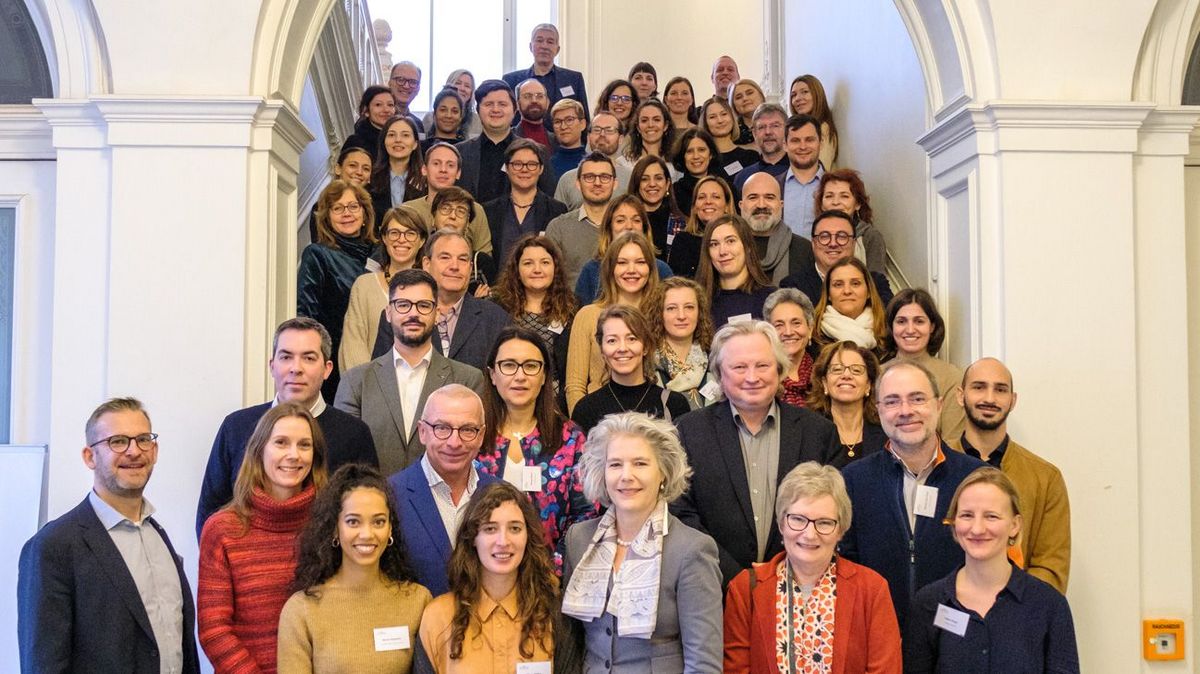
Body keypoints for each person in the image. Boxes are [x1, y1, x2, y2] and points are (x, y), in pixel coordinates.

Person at [18, 397, 200, 673]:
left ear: (155, 450)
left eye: (143, 440)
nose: (133, 451)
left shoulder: (160, 538)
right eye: (117, 441)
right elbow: (44, 664)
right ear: (90, 456)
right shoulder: (53, 546)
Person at [672, 321, 839, 585]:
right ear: (719, 374)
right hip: (715, 588)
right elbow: (681, 513)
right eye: (739, 367)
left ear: (780, 369)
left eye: (762, 365)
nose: (752, 377)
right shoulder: (688, 432)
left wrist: (782, 572)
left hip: (799, 587)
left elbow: (831, 514)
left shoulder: (819, 432)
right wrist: (735, 577)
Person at [563, 412, 724, 673]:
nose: (626, 475)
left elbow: (704, 663)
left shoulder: (692, 549)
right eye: (615, 464)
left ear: (663, 472)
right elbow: (572, 641)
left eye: (640, 463)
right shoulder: (580, 539)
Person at [197, 317, 377, 538]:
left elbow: (369, 516)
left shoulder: (354, 434)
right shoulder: (236, 427)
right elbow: (209, 515)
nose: (296, 368)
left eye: (309, 358)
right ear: (272, 366)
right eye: (286, 357)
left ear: (327, 369)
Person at [839, 361, 985, 630]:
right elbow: (846, 568)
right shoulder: (852, 481)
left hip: (957, 635)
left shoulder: (977, 479)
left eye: (917, 399)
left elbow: (995, 565)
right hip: (879, 637)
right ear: (878, 410)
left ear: (939, 405)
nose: (906, 411)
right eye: (892, 401)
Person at [723, 462, 903, 673]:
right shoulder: (746, 589)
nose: (810, 534)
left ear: (841, 530)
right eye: (798, 519)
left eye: (825, 523)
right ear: (781, 523)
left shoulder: (872, 590)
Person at [904, 468, 1080, 673]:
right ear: (954, 523)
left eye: (991, 516)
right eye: (967, 515)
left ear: (1015, 525)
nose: (977, 529)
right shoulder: (928, 603)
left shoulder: (1049, 605)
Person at [199, 404, 327, 674]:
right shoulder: (222, 529)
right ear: (259, 450)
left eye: (304, 445)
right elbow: (214, 630)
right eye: (281, 443)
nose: (293, 455)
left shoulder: (330, 526)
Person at [277, 464, 432, 672]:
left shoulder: (417, 601)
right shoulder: (301, 610)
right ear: (334, 529)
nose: (367, 534)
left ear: (390, 528)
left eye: (378, 522)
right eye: (353, 522)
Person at [335, 268, 485, 476]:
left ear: (437, 313)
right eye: (403, 305)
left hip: (443, 504)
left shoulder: (467, 380)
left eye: (424, 306)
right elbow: (343, 458)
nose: (413, 313)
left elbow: (474, 453)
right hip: (373, 502)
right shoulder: (356, 381)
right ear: (388, 312)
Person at [416, 481, 574, 674]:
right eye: (490, 529)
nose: (503, 542)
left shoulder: (553, 614)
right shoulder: (438, 617)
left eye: (514, 528)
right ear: (472, 537)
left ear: (528, 536)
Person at [950, 357, 1072, 593]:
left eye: (1000, 390)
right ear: (960, 395)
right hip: (945, 613)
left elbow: (1051, 566)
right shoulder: (933, 465)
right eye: (979, 387)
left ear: (1012, 400)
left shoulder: (1045, 478)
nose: (989, 398)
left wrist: (1006, 610)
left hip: (1018, 620)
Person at [477, 327, 597, 567]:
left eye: (531, 366)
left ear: (544, 377)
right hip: (481, 572)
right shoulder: (473, 435)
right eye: (509, 365)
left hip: (550, 577)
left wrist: (554, 568)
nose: (520, 376)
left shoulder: (571, 438)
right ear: (492, 374)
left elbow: (586, 515)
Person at [388, 384, 499, 597]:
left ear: (481, 435)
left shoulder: (502, 496)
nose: (454, 442)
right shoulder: (390, 495)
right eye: (442, 428)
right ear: (422, 432)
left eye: (467, 430)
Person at [298, 180, 377, 401]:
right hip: (334, 361)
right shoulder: (317, 254)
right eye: (337, 208)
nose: (346, 213)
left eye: (353, 206)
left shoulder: (381, 252)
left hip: (378, 353)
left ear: (364, 212)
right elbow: (306, 313)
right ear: (327, 217)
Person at [565, 231, 661, 412]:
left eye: (640, 262)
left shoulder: (661, 315)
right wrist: (582, 428)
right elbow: (575, 385)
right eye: (622, 263)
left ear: (650, 269)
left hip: (652, 418)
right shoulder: (587, 315)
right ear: (610, 269)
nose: (631, 270)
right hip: (599, 420)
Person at [571, 304, 691, 432]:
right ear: (602, 351)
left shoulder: (674, 404)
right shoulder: (586, 409)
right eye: (612, 341)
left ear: (645, 347)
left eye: (631, 339)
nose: (622, 348)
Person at [340, 206, 428, 371]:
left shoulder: (431, 289)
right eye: (394, 233)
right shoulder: (364, 285)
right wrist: (370, 388)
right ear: (385, 238)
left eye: (410, 233)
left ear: (422, 240)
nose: (401, 239)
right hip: (371, 388)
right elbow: (353, 344)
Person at [492, 235, 578, 393]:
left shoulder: (573, 308)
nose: (537, 270)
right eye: (528, 263)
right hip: (509, 393)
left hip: (556, 400)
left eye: (545, 263)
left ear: (555, 268)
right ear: (517, 270)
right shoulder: (497, 307)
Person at [883, 288, 966, 440]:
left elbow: (953, 442)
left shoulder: (951, 377)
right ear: (891, 327)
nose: (910, 330)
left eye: (919, 321)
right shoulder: (876, 374)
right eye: (901, 321)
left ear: (932, 326)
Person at [422, 228, 511, 369]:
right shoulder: (403, 314)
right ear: (427, 264)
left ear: (470, 269)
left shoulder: (496, 319)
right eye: (445, 257)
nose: (455, 266)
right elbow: (382, 377)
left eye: (462, 259)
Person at [457, 79, 555, 205]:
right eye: (488, 104)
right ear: (478, 111)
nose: (496, 109)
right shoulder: (460, 153)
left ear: (515, 110)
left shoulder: (537, 152)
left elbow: (548, 201)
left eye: (502, 104)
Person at [781, 209, 894, 309]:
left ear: (854, 243)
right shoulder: (793, 286)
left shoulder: (875, 282)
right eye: (824, 237)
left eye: (842, 236)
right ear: (813, 244)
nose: (833, 243)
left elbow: (888, 324)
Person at [574, 194, 673, 305]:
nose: (629, 226)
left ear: (644, 228)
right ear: (609, 228)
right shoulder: (591, 270)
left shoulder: (662, 270)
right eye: (620, 221)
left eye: (636, 220)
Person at [483, 138, 568, 265]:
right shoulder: (488, 211)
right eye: (517, 164)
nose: (524, 169)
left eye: (532, 164)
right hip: (498, 284)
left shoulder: (557, 210)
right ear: (507, 168)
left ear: (541, 169)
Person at [806, 340, 887, 467]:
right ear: (825, 383)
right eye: (837, 369)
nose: (846, 375)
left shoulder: (886, 432)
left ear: (868, 385)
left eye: (856, 370)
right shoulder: (809, 432)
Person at [400, 143, 493, 253]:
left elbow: (483, 258)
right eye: (436, 163)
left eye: (450, 165)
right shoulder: (408, 209)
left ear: (458, 173)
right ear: (424, 170)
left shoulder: (475, 209)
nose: (443, 170)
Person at [546, 151, 618, 288]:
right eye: (589, 177)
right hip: (571, 307)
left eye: (604, 177)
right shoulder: (558, 227)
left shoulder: (628, 226)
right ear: (578, 183)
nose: (597, 183)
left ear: (614, 183)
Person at [503, 23, 589, 130]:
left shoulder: (574, 79)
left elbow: (583, 119)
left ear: (557, 49)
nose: (544, 46)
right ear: (531, 46)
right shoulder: (511, 80)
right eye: (539, 40)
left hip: (562, 143)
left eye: (550, 42)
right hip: (522, 143)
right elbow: (506, 120)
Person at [697, 214, 776, 327]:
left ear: (747, 246)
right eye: (714, 244)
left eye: (730, 241)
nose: (722, 251)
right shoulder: (698, 301)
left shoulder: (771, 299)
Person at [650, 277, 715, 409]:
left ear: (700, 312)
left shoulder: (716, 360)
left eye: (689, 307)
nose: (681, 316)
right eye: (671, 308)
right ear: (659, 314)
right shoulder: (646, 365)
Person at [740, 172, 811, 283]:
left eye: (769, 197)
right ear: (741, 205)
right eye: (753, 197)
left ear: (781, 205)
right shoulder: (727, 247)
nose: (761, 205)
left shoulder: (804, 249)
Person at [554, 112, 633, 209]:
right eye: (597, 130)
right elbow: (559, 220)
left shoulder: (631, 178)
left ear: (620, 139)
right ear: (588, 137)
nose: (602, 134)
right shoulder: (567, 179)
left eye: (609, 130)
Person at [817, 168, 888, 275]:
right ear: (822, 204)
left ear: (858, 204)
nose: (835, 202)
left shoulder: (870, 237)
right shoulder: (816, 235)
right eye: (829, 196)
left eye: (844, 196)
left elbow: (877, 284)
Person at [813, 257, 889, 355]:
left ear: (869, 291)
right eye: (838, 284)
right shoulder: (812, 337)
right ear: (828, 294)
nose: (847, 291)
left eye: (855, 283)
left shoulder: (889, 334)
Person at [666, 174, 735, 278]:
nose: (708, 202)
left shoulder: (738, 239)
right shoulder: (682, 241)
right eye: (701, 197)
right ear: (694, 207)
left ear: (726, 205)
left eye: (715, 197)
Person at [306, 144, 373, 244]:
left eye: (366, 169)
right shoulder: (320, 207)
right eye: (352, 165)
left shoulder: (374, 207)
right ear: (338, 169)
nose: (359, 172)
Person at [369, 116, 427, 230]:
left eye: (405, 135)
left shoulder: (426, 181)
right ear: (384, 142)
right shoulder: (370, 178)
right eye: (391, 135)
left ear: (415, 143)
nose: (398, 140)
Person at [763, 288, 816, 408]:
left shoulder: (824, 375)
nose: (788, 332)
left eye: (796, 323)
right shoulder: (761, 377)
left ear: (810, 329)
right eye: (779, 325)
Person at [627, 154, 685, 256]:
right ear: (636, 184)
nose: (652, 184)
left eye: (658, 178)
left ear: (667, 184)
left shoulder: (681, 224)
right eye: (645, 179)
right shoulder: (625, 222)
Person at [779, 114, 825, 239]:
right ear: (785, 145)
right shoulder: (773, 186)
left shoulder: (835, 187)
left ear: (821, 143)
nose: (803, 146)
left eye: (809, 140)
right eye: (795, 140)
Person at [731, 104, 790, 194]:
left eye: (775, 126)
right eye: (761, 127)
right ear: (754, 134)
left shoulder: (800, 171)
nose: (768, 132)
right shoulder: (742, 178)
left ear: (787, 130)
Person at [698, 96, 759, 180]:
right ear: (705, 123)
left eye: (724, 114)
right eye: (712, 117)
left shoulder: (751, 157)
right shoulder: (702, 161)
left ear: (732, 118)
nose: (720, 120)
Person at [671, 127, 725, 218]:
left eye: (701, 150)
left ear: (711, 154)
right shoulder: (674, 192)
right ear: (682, 156)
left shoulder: (725, 188)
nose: (696, 156)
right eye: (689, 151)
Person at [788, 74, 839, 169]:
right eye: (793, 95)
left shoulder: (823, 129)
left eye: (805, 92)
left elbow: (821, 170)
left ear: (817, 95)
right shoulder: (792, 130)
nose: (798, 98)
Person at [618, 99, 675, 171]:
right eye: (644, 120)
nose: (650, 125)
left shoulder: (675, 165)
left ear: (665, 125)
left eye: (656, 120)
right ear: (638, 127)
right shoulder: (623, 164)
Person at [422, 70, 479, 140]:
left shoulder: (478, 121)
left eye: (467, 86)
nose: (462, 88)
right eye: (458, 83)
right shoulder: (429, 118)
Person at [343, 85, 394, 162]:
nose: (386, 110)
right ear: (366, 111)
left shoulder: (404, 138)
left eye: (390, 105)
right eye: (378, 105)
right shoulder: (355, 143)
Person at [549, 98, 588, 180]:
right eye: (557, 122)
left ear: (582, 124)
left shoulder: (595, 162)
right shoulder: (548, 165)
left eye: (569, 120)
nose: (563, 127)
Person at [515, 78, 555, 147]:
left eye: (540, 96)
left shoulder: (557, 141)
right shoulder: (507, 139)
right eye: (527, 96)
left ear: (548, 103)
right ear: (517, 105)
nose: (534, 101)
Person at [389, 60, 426, 133]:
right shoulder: (380, 117)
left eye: (413, 82)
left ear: (418, 88)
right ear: (390, 83)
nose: (406, 86)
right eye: (400, 80)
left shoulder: (418, 124)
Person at [728, 79, 765, 146]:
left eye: (749, 93)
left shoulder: (780, 123)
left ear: (761, 96)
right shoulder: (730, 132)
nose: (745, 99)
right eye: (738, 97)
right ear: (733, 105)